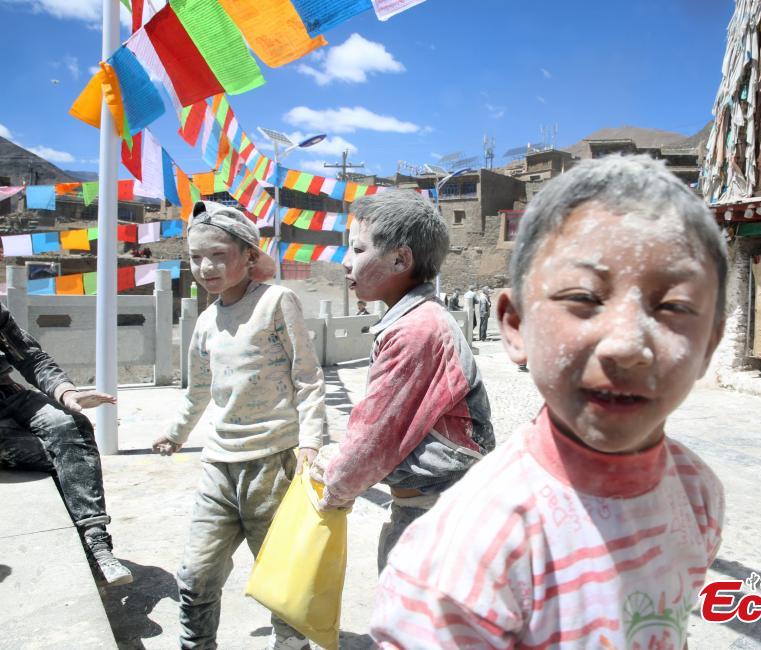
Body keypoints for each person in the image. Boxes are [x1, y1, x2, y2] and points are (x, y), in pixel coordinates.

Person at [371, 155, 728, 648]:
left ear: (710, 343)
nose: (626, 344)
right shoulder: (464, 552)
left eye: (674, 306)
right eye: (583, 297)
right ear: (516, 326)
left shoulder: (697, 494)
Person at [151, 201, 326, 650]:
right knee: (195, 573)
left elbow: (306, 375)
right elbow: (198, 388)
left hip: (274, 464)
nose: (205, 266)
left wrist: (311, 440)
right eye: (195, 257)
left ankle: (290, 644)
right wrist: (175, 432)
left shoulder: (275, 301)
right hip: (219, 467)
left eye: (218, 255)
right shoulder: (206, 321)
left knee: (280, 573)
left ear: (249, 255)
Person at [312, 191, 494, 573]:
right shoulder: (415, 320)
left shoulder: (416, 330)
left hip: (434, 521)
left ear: (400, 259)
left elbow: (376, 433)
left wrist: (336, 489)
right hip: (427, 509)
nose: (346, 262)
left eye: (358, 250)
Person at [0, 300, 132, 587]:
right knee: (58, 456)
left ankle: (97, 544)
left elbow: (31, 358)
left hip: (9, 397)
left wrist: (66, 392)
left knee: (70, 424)